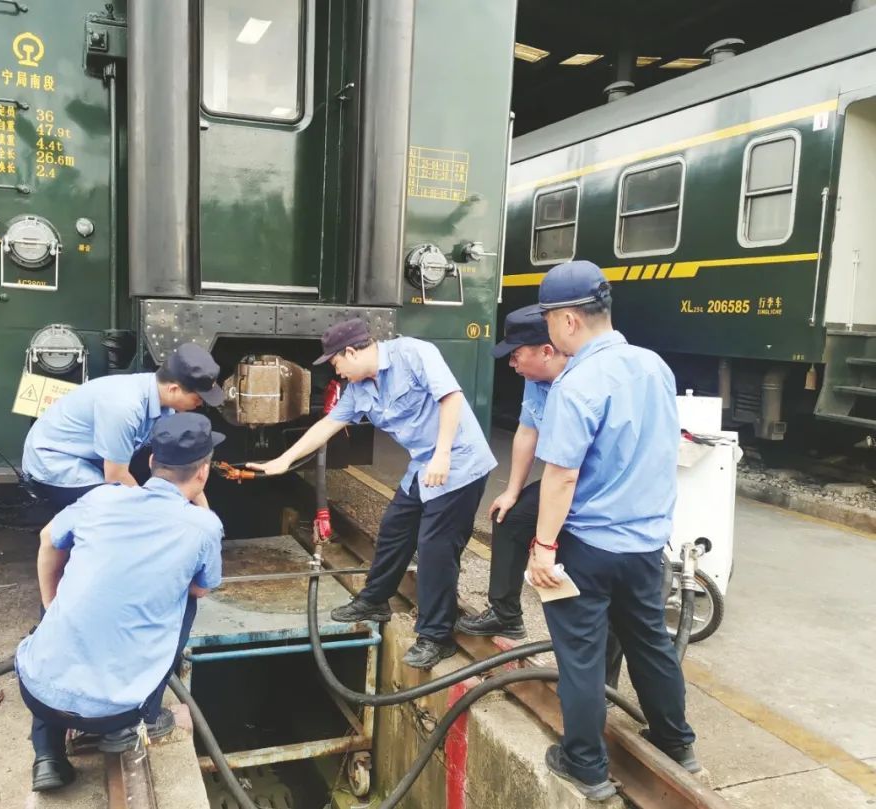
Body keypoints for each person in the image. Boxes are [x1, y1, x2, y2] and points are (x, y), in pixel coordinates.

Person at [527, 260, 698, 801]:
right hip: (648, 544)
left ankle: (586, 765)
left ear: (570, 321)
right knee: (651, 643)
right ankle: (676, 745)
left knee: (580, 655)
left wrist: (544, 548)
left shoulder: (577, 382)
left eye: (550, 318)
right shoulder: (654, 366)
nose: (549, 330)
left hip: (590, 545)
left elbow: (561, 475)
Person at [247, 318, 496, 669]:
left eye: (336, 364)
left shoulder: (414, 353)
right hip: (424, 466)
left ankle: (436, 637)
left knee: (436, 548)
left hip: (459, 462)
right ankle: (374, 600)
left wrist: (443, 452)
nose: (338, 373)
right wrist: (282, 461)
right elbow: (327, 425)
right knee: (395, 528)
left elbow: (451, 398)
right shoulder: (360, 388)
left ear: (351, 351)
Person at [15, 412, 224, 792]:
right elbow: (202, 588)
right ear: (203, 472)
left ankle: (47, 756)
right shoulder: (202, 526)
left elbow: (48, 539)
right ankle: (135, 720)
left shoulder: (101, 498)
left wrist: (50, 608)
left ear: (149, 463)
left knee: (68, 589)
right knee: (186, 602)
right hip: (117, 710)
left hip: (37, 693)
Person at [455, 305, 567, 640]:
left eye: (516, 355)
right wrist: (513, 490)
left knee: (581, 556)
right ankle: (506, 615)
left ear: (547, 351)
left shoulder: (579, 383)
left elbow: (568, 472)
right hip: (563, 478)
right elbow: (527, 432)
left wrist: (545, 545)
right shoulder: (536, 379)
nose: (511, 364)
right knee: (509, 515)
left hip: (596, 488)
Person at [21, 343, 224, 510]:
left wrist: (206, 515)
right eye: (198, 398)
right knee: (123, 511)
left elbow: (182, 462)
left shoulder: (164, 402)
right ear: (173, 389)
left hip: (95, 457)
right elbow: (115, 476)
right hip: (56, 461)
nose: (200, 405)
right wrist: (154, 515)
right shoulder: (124, 407)